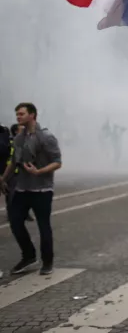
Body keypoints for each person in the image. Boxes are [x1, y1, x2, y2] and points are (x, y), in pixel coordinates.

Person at [1, 103, 62, 275]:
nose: (18, 117)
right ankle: (28, 256)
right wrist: (3, 179)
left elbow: (57, 161)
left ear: (32, 115)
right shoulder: (19, 138)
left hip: (42, 190)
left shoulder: (46, 137)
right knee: (15, 221)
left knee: (44, 226)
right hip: (22, 188)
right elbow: (14, 162)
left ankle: (47, 262)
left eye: (21, 114)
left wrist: (39, 171)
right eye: (17, 114)